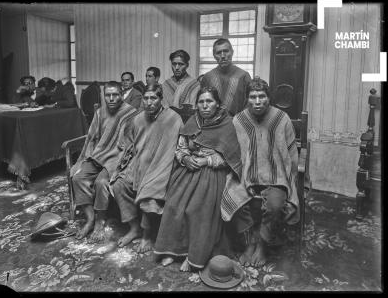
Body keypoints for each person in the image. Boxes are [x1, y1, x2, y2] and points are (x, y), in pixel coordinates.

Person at [154, 86, 242, 272]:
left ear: (217, 104)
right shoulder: (193, 121)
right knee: (173, 205)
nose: (205, 105)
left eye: (209, 101)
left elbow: (229, 159)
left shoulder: (227, 124)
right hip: (188, 169)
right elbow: (181, 146)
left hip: (212, 173)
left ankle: (193, 255)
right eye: (201, 102)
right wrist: (185, 158)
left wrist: (205, 161)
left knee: (197, 208)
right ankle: (172, 250)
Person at [221, 76, 299, 267]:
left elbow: (291, 154)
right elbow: (233, 152)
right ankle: (249, 244)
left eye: (262, 96)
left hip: (276, 177)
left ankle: (262, 246)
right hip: (246, 176)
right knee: (231, 196)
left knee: (274, 206)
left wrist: (289, 179)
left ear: (268, 97)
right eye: (253, 97)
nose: (257, 102)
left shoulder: (282, 119)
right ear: (247, 98)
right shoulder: (239, 120)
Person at [110, 83, 183, 253]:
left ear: (161, 99)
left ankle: (147, 234)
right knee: (119, 185)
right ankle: (134, 228)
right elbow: (131, 146)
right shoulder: (138, 119)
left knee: (149, 193)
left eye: (154, 98)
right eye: (146, 98)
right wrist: (125, 165)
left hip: (163, 167)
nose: (149, 102)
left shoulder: (173, 118)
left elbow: (179, 147)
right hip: (139, 165)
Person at [71, 81, 138, 243]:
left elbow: (132, 142)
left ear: (122, 95)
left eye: (115, 94)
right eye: (108, 95)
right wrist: (82, 160)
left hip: (119, 157)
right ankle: (90, 218)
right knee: (78, 178)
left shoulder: (131, 113)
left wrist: (122, 160)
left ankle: (100, 220)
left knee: (101, 182)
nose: (112, 98)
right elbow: (91, 138)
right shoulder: (100, 112)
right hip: (99, 155)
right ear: (104, 96)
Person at [200, 38, 251, 116]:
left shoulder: (243, 76)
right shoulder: (208, 77)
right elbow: (202, 103)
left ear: (232, 52)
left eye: (226, 51)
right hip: (212, 124)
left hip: (237, 123)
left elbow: (249, 104)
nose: (223, 56)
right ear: (214, 56)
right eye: (218, 52)